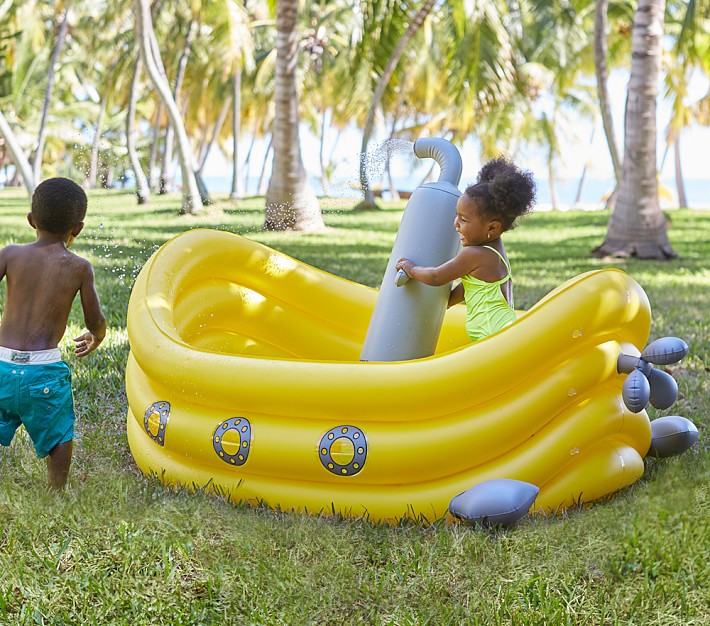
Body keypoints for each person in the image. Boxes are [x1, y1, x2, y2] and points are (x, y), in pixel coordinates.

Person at [0, 177, 106, 489]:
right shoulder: (79, 267)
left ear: (31, 220)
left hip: (1, 365)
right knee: (59, 432)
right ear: (78, 228)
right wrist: (96, 336)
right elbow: (94, 319)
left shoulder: (10, 254)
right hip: (42, 372)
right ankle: (56, 490)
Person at [396, 156, 535, 343]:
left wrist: (411, 269)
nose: (456, 223)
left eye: (464, 219)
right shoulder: (494, 252)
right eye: (457, 215)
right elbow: (468, 287)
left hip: (492, 336)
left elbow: (437, 277)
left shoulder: (474, 255)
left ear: (492, 228)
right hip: (500, 332)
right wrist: (443, 304)